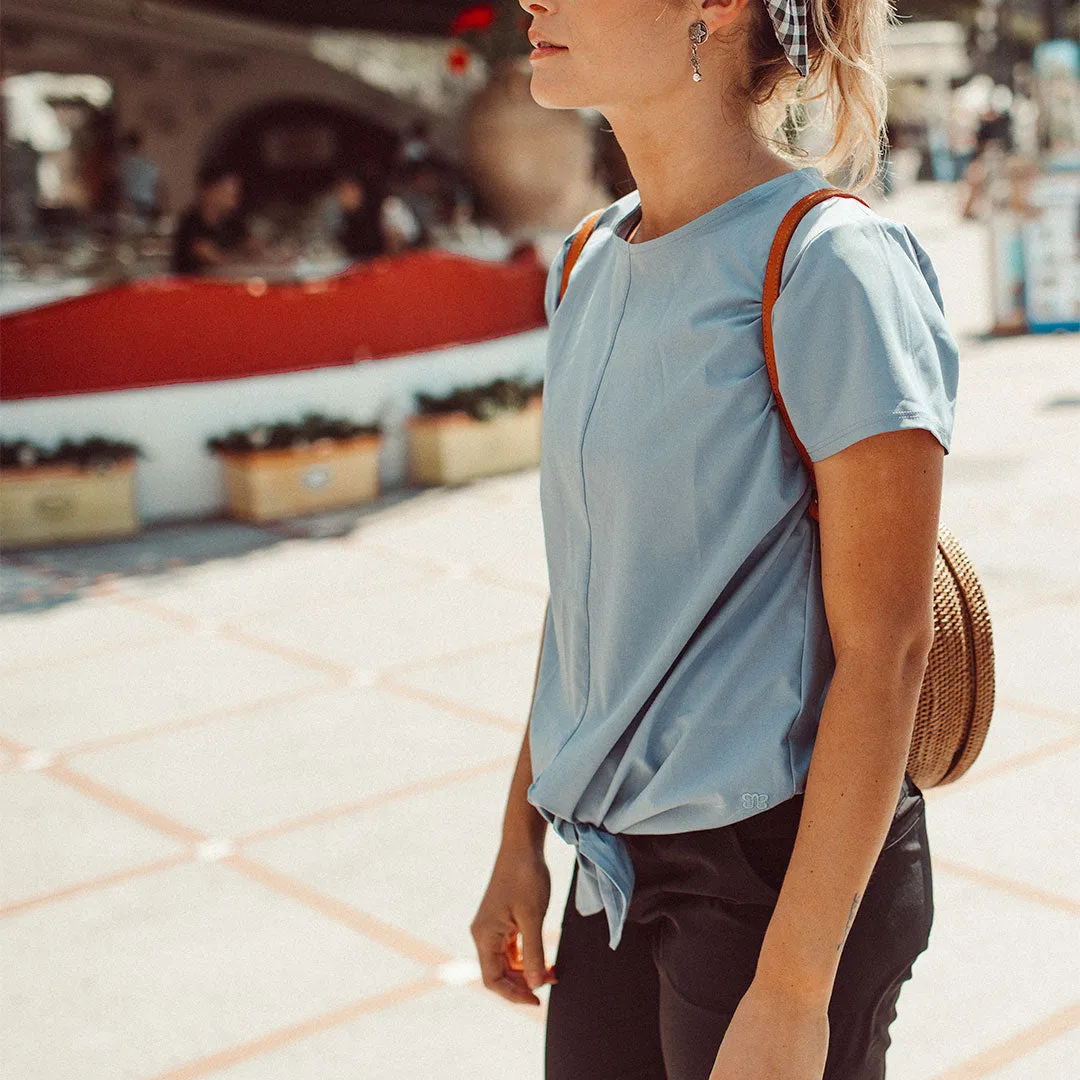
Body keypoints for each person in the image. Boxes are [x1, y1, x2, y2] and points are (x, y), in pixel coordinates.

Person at [470, 3, 958, 1080]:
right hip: (613, 863)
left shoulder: (830, 263)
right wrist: (522, 837)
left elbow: (889, 654)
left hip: (780, 872)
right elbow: (592, 594)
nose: (532, 0)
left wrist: (791, 988)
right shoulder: (587, 261)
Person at [171, 166, 262, 275]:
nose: (236, 196)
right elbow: (214, 258)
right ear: (209, 192)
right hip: (194, 287)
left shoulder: (231, 223)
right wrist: (241, 256)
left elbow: (254, 247)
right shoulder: (191, 223)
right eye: (228, 190)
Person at [328, 171, 385, 261]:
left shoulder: (379, 212)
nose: (344, 197)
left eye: (349, 191)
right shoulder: (343, 219)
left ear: (359, 191)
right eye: (341, 192)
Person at [116, 130, 161, 232]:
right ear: (140, 146)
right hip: (145, 209)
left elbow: (118, 189)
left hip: (128, 209)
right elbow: (156, 190)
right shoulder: (150, 166)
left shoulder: (123, 166)